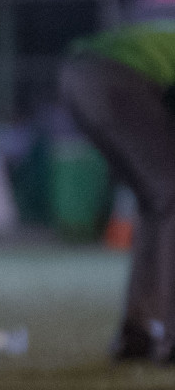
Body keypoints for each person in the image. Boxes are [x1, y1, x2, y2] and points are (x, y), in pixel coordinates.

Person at [60, 21, 175, 362]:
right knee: (171, 198)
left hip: (79, 73)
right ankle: (170, 335)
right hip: (116, 76)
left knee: (157, 203)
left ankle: (137, 332)